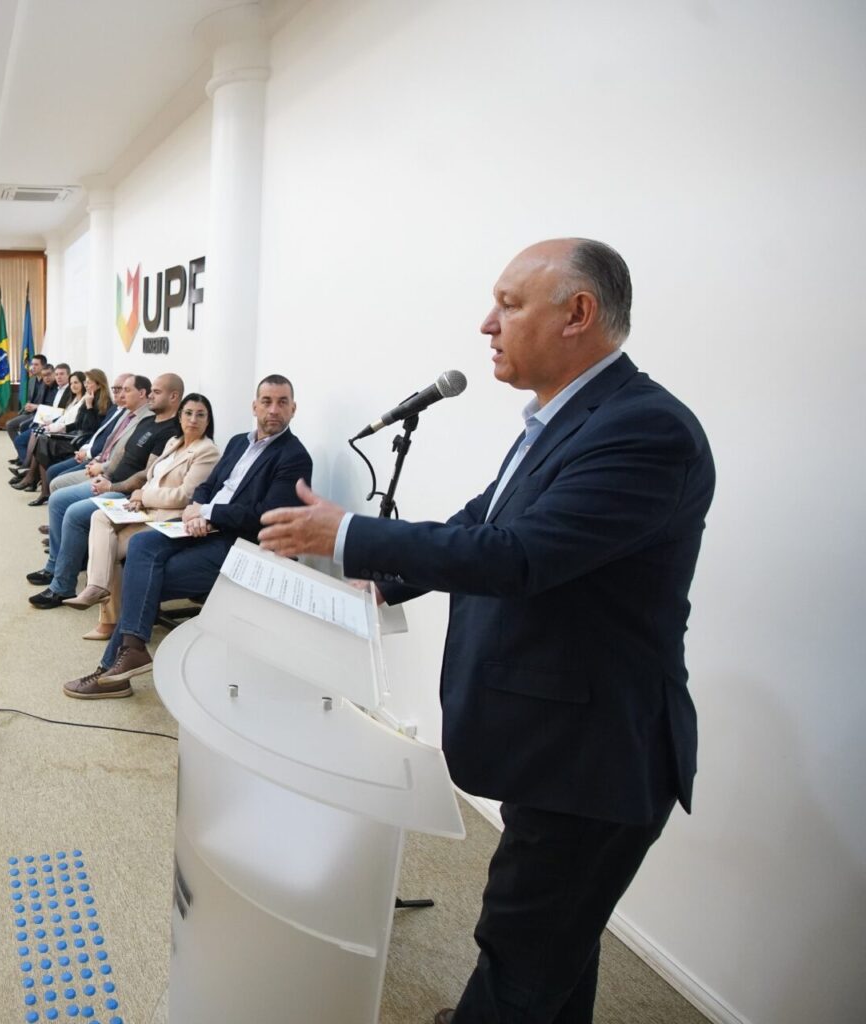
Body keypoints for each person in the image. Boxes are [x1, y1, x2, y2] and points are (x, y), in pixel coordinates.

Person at [259, 240, 715, 1024]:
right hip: (563, 747)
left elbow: (520, 556)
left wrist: (350, 535)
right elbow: (482, 521)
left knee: (520, 955)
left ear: (578, 314)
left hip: (597, 757)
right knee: (557, 944)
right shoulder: (565, 419)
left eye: (509, 304)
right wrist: (383, 575)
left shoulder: (646, 431)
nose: (486, 324)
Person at [63, 374, 311, 697]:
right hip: (202, 526)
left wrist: (210, 514)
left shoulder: (294, 457)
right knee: (141, 544)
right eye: (267, 402)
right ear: (255, 406)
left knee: (144, 579)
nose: (274, 409)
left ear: (293, 409)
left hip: (242, 544)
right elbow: (209, 486)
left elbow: (268, 515)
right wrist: (196, 508)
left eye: (282, 402)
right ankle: (129, 654)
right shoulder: (239, 442)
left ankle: (113, 670)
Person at [28, 374, 184, 607]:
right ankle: (54, 567)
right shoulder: (148, 420)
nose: (151, 395)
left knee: (74, 514)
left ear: (174, 397)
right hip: (111, 480)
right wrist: (106, 474)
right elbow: (122, 453)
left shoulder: (171, 431)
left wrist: (111, 486)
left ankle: (62, 586)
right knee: (58, 498)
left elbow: (147, 475)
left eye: (157, 392)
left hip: (126, 493)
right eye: (151, 390)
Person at [66, 393, 221, 626]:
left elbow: (186, 495)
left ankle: (109, 621)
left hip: (169, 516)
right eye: (188, 413)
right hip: (146, 507)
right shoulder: (174, 442)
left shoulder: (207, 451)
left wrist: (144, 496)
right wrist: (140, 493)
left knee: (111, 549)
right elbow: (152, 477)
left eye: (200, 415)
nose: (193, 419)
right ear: (180, 416)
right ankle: (97, 588)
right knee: (99, 516)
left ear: (208, 421)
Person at [12, 369, 114, 495]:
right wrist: (63, 428)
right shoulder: (86, 398)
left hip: (82, 440)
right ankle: (35, 480)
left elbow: (92, 428)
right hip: (76, 434)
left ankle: (32, 478)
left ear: (98, 384)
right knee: (42, 439)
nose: (86, 385)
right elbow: (78, 423)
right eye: (85, 382)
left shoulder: (103, 402)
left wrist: (89, 406)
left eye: (88, 382)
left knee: (43, 441)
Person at [3, 354, 53, 443]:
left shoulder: (48, 381)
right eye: (32, 364)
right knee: (9, 424)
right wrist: (27, 407)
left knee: (23, 426)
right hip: (30, 413)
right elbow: (30, 399)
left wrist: (35, 406)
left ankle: (24, 448)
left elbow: (50, 403)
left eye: (36, 365)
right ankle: (22, 448)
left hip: (41, 414)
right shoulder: (32, 380)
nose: (32, 367)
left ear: (43, 366)